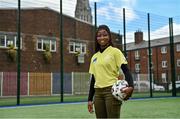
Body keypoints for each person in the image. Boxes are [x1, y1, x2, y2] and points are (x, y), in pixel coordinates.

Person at [87, 25, 134, 118]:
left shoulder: (115, 52)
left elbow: (126, 70)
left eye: (105, 35)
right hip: (98, 94)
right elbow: (93, 79)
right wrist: (89, 99)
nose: (102, 37)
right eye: (99, 35)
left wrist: (131, 86)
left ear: (109, 37)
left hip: (111, 91)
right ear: (96, 38)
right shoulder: (94, 57)